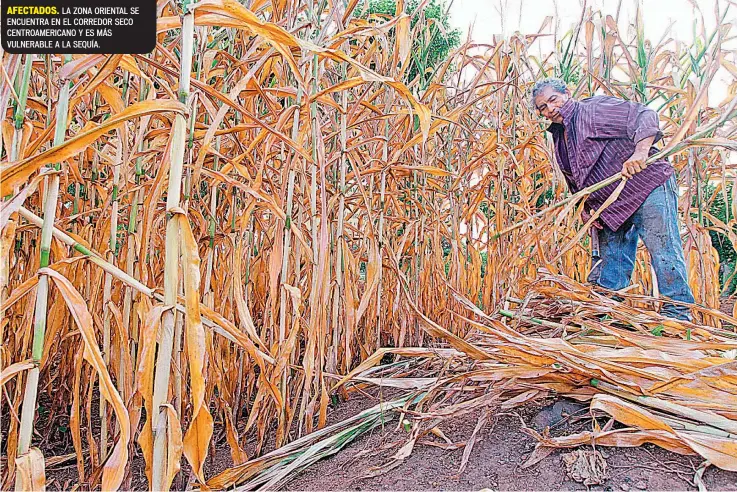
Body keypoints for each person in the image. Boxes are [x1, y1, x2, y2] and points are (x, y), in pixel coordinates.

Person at [531, 77, 695, 321]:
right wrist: (585, 208)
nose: (550, 109)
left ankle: (678, 316)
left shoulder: (593, 111)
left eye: (553, 100)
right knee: (612, 262)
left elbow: (644, 115)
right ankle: (608, 318)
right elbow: (576, 177)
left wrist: (640, 153)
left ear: (567, 93)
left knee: (663, 250)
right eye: (542, 107)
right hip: (610, 205)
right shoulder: (559, 135)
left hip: (645, 186)